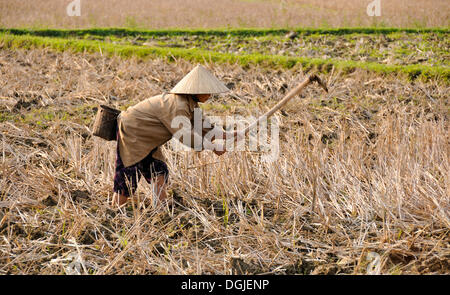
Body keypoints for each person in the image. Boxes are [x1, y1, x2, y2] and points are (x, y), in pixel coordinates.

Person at [112, 65, 231, 207]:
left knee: (158, 170)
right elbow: (186, 135)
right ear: (196, 91)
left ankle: (160, 208)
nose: (210, 95)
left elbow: (202, 126)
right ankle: (114, 210)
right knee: (128, 174)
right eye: (207, 92)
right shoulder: (178, 105)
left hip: (148, 138)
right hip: (133, 132)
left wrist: (227, 135)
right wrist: (212, 146)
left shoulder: (190, 104)